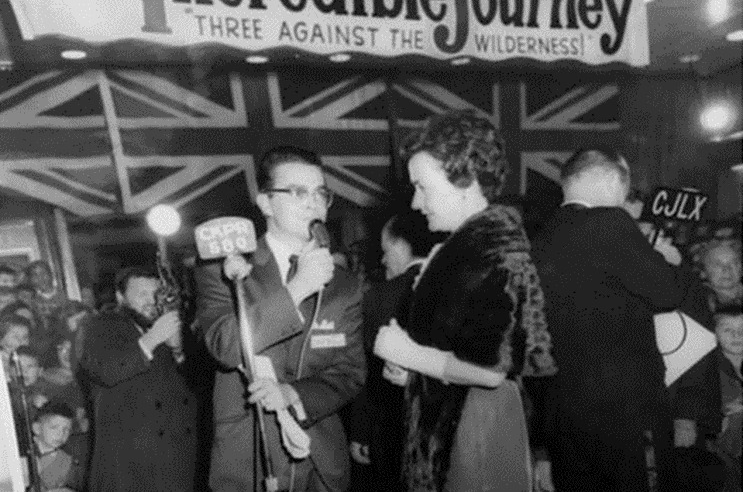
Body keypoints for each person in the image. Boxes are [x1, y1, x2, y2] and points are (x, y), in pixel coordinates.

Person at [374, 110, 556, 491]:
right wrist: (413, 374)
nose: (416, 202)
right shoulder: (463, 248)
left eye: (422, 186)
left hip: (477, 430)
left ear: (466, 180)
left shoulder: (495, 249)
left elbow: (490, 370)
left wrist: (411, 356)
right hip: (458, 421)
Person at [194, 145, 366, 492]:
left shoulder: (344, 284)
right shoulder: (223, 268)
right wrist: (298, 287)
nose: (314, 203)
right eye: (299, 192)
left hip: (321, 466)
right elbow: (226, 346)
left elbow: (350, 372)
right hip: (252, 462)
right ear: (266, 203)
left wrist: (293, 393)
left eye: (321, 193)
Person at [531, 148, 694, 492]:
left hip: (565, 412)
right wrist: (669, 259)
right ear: (608, 180)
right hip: (627, 410)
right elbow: (667, 295)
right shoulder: (609, 222)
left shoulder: (540, 237)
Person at [74, 266, 197, 492]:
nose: (151, 301)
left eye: (155, 294)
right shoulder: (97, 326)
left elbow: (194, 388)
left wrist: (178, 349)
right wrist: (152, 339)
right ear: (121, 297)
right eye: (142, 294)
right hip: (128, 465)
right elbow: (106, 370)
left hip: (175, 462)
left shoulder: (160, 328)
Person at [348, 211, 436, 490]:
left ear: (399, 246)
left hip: (392, 428)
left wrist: (360, 431)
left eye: (386, 251)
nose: (384, 260)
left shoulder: (378, 297)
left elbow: (365, 370)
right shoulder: (453, 288)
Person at [711, 307, 742, 492]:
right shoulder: (709, 369)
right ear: (714, 333)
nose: (737, 335)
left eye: (742, 330)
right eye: (728, 330)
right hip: (725, 446)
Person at [30, 400, 84, 492]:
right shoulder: (23, 452)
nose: (61, 434)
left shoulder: (66, 461)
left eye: (66, 429)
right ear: (37, 428)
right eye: (54, 427)